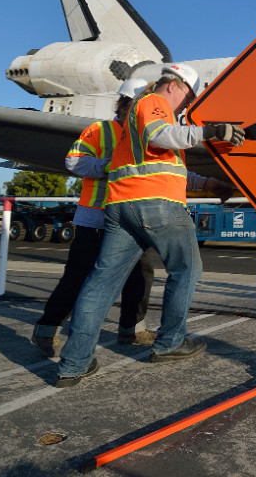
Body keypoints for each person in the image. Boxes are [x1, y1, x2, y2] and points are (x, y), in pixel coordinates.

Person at [55, 64, 244, 387]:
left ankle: (73, 364)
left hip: (120, 208)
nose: (187, 105)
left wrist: (210, 184)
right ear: (175, 85)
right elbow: (162, 136)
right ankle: (170, 343)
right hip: (157, 206)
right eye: (188, 97)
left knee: (101, 284)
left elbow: (164, 168)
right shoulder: (153, 103)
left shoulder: (132, 126)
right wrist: (210, 131)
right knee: (186, 270)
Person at [31, 78, 157, 358]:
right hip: (95, 219)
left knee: (140, 275)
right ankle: (46, 329)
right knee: (78, 276)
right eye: (138, 106)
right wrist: (111, 165)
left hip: (133, 219)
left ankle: (132, 329)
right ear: (124, 105)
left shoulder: (146, 135)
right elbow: (74, 162)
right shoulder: (100, 130)